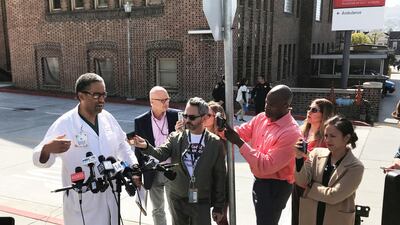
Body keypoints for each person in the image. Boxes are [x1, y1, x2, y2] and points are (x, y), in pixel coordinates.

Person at [32, 73, 138, 225]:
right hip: (83, 201)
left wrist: (134, 167)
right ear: (81, 96)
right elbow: (39, 159)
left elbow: (122, 144)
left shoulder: (107, 118)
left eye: (103, 95)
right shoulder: (65, 124)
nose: (102, 100)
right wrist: (47, 149)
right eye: (96, 95)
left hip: (111, 194)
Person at [130, 97, 226, 225]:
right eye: (185, 116)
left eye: (192, 117)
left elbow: (220, 175)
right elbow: (160, 154)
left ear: (204, 118)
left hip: (201, 199)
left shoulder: (214, 143)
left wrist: (219, 206)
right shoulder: (176, 138)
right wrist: (146, 147)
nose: (187, 120)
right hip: (177, 198)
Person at [224, 84, 302, 225]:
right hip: (261, 182)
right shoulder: (262, 118)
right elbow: (241, 132)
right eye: (266, 102)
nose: (266, 106)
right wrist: (221, 128)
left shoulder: (291, 133)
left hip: (276, 186)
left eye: (271, 105)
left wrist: (239, 143)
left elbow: (266, 165)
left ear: (285, 106)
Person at [294, 116, 364, 225]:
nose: (327, 140)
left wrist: (311, 186)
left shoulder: (356, 167)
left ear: (346, 138)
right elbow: (301, 181)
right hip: (310, 216)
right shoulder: (316, 153)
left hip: (336, 219)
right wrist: (298, 159)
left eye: (332, 136)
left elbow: (333, 196)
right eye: (326, 135)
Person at [134, 86, 179, 225]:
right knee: (157, 209)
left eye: (168, 99)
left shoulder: (176, 116)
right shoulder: (141, 121)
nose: (166, 102)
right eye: (162, 100)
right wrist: (137, 173)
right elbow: (138, 149)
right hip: (152, 171)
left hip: (172, 169)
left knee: (175, 208)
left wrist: (181, 131)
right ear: (152, 102)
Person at [292, 98, 335, 225]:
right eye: (309, 108)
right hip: (298, 183)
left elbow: (327, 163)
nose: (309, 112)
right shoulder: (302, 131)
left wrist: (308, 155)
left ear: (324, 115)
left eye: (314, 110)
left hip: (313, 186)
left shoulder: (327, 138)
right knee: (296, 220)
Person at [204, 101, 229, 225]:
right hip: (202, 183)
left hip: (219, 184)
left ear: (216, 118)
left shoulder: (222, 138)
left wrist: (220, 129)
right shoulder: (198, 133)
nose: (204, 117)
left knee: (221, 219)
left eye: (208, 115)